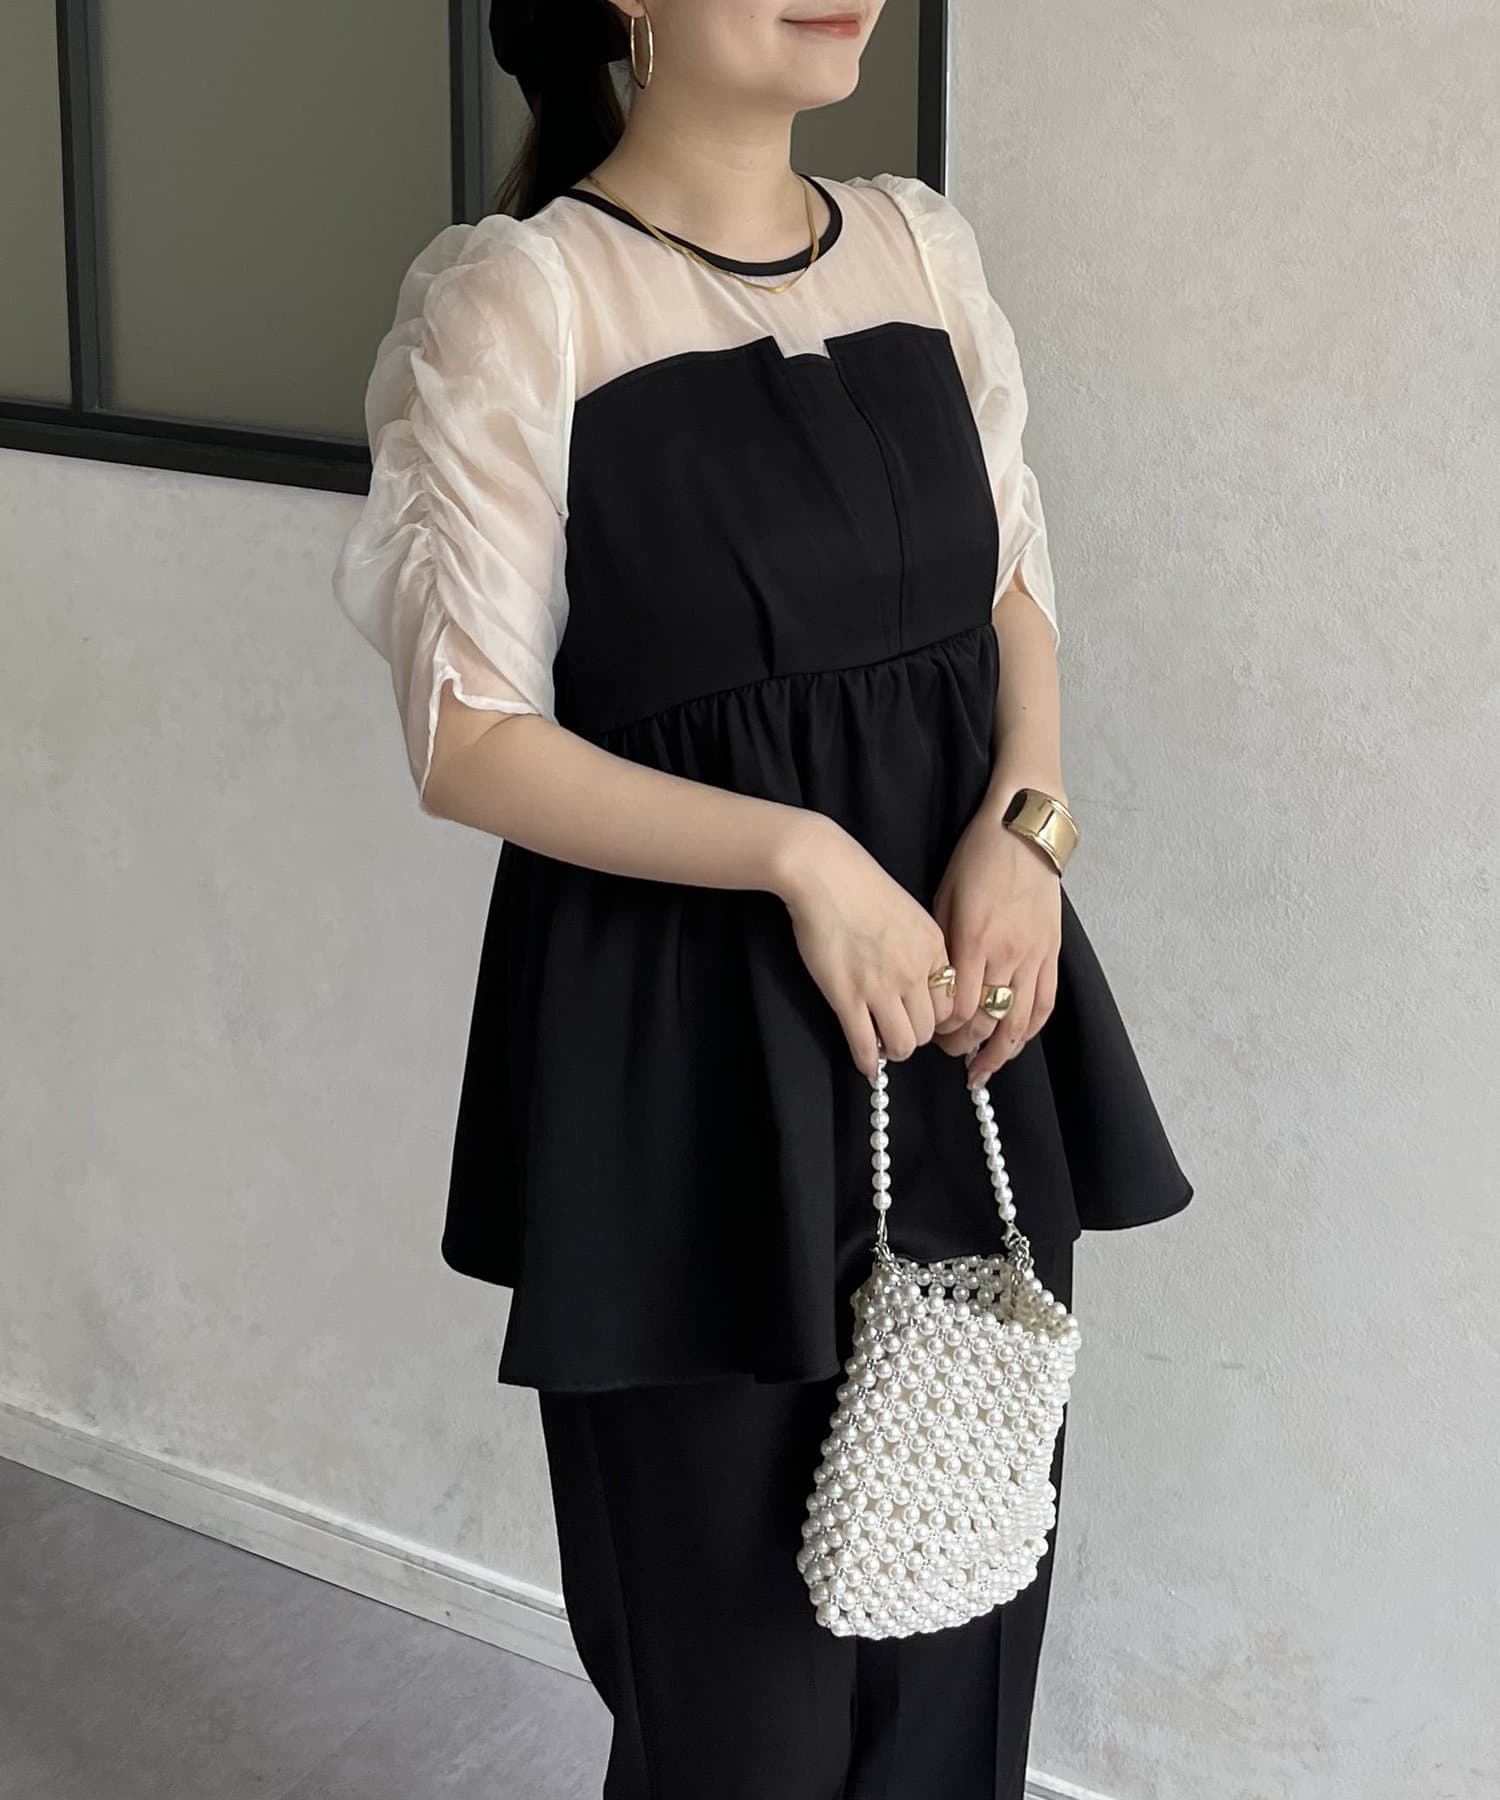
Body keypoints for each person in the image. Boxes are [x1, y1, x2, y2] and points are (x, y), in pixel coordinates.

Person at [332, 1, 1194, 1793]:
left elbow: (1015, 596)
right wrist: (799, 857)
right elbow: (466, 736)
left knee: (957, 1626)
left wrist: (1027, 833)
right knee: (738, 1704)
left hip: (962, 1026)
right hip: (685, 1074)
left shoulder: (921, 248)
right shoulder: (529, 297)